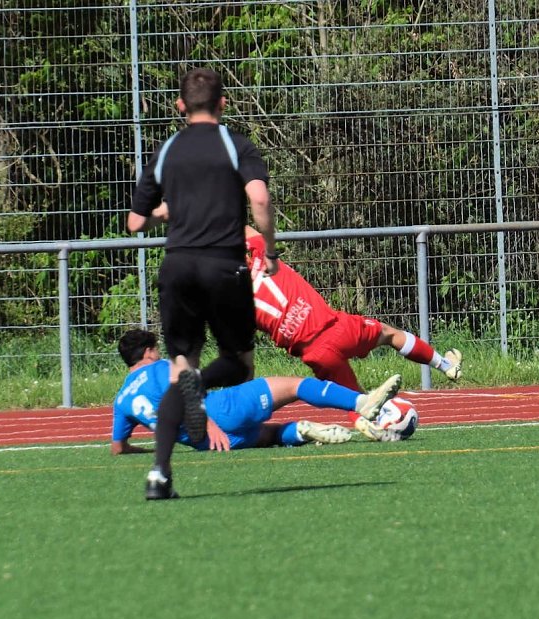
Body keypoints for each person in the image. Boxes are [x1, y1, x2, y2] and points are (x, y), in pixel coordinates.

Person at [126, 68, 279, 497]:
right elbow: (260, 199)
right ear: (223, 103)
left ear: (180, 106)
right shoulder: (236, 144)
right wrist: (269, 248)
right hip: (222, 266)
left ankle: (159, 473)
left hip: (176, 269)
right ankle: (201, 385)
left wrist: (165, 212)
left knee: (180, 370)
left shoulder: (168, 149)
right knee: (238, 362)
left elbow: (136, 221)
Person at [113, 330, 403, 499]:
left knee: (270, 434)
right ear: (149, 352)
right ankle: (362, 403)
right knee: (297, 385)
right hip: (220, 411)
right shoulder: (160, 368)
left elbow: (118, 448)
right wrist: (209, 422)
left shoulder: (122, 400)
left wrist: (144, 448)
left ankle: (300, 431)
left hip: (210, 443)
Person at [244, 225, 463, 438]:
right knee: (389, 334)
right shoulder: (264, 258)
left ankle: (361, 421)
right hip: (337, 329)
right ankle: (445, 365)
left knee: (354, 398)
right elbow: (242, 226)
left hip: (314, 353)